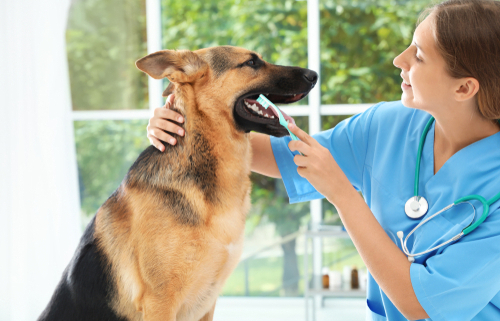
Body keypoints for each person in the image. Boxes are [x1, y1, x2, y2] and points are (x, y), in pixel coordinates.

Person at [146, 0, 500, 319]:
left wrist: (343, 195)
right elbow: (284, 157)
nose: (399, 60)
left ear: (464, 88)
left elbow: (420, 305)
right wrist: (189, 125)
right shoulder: (389, 125)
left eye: (419, 55)